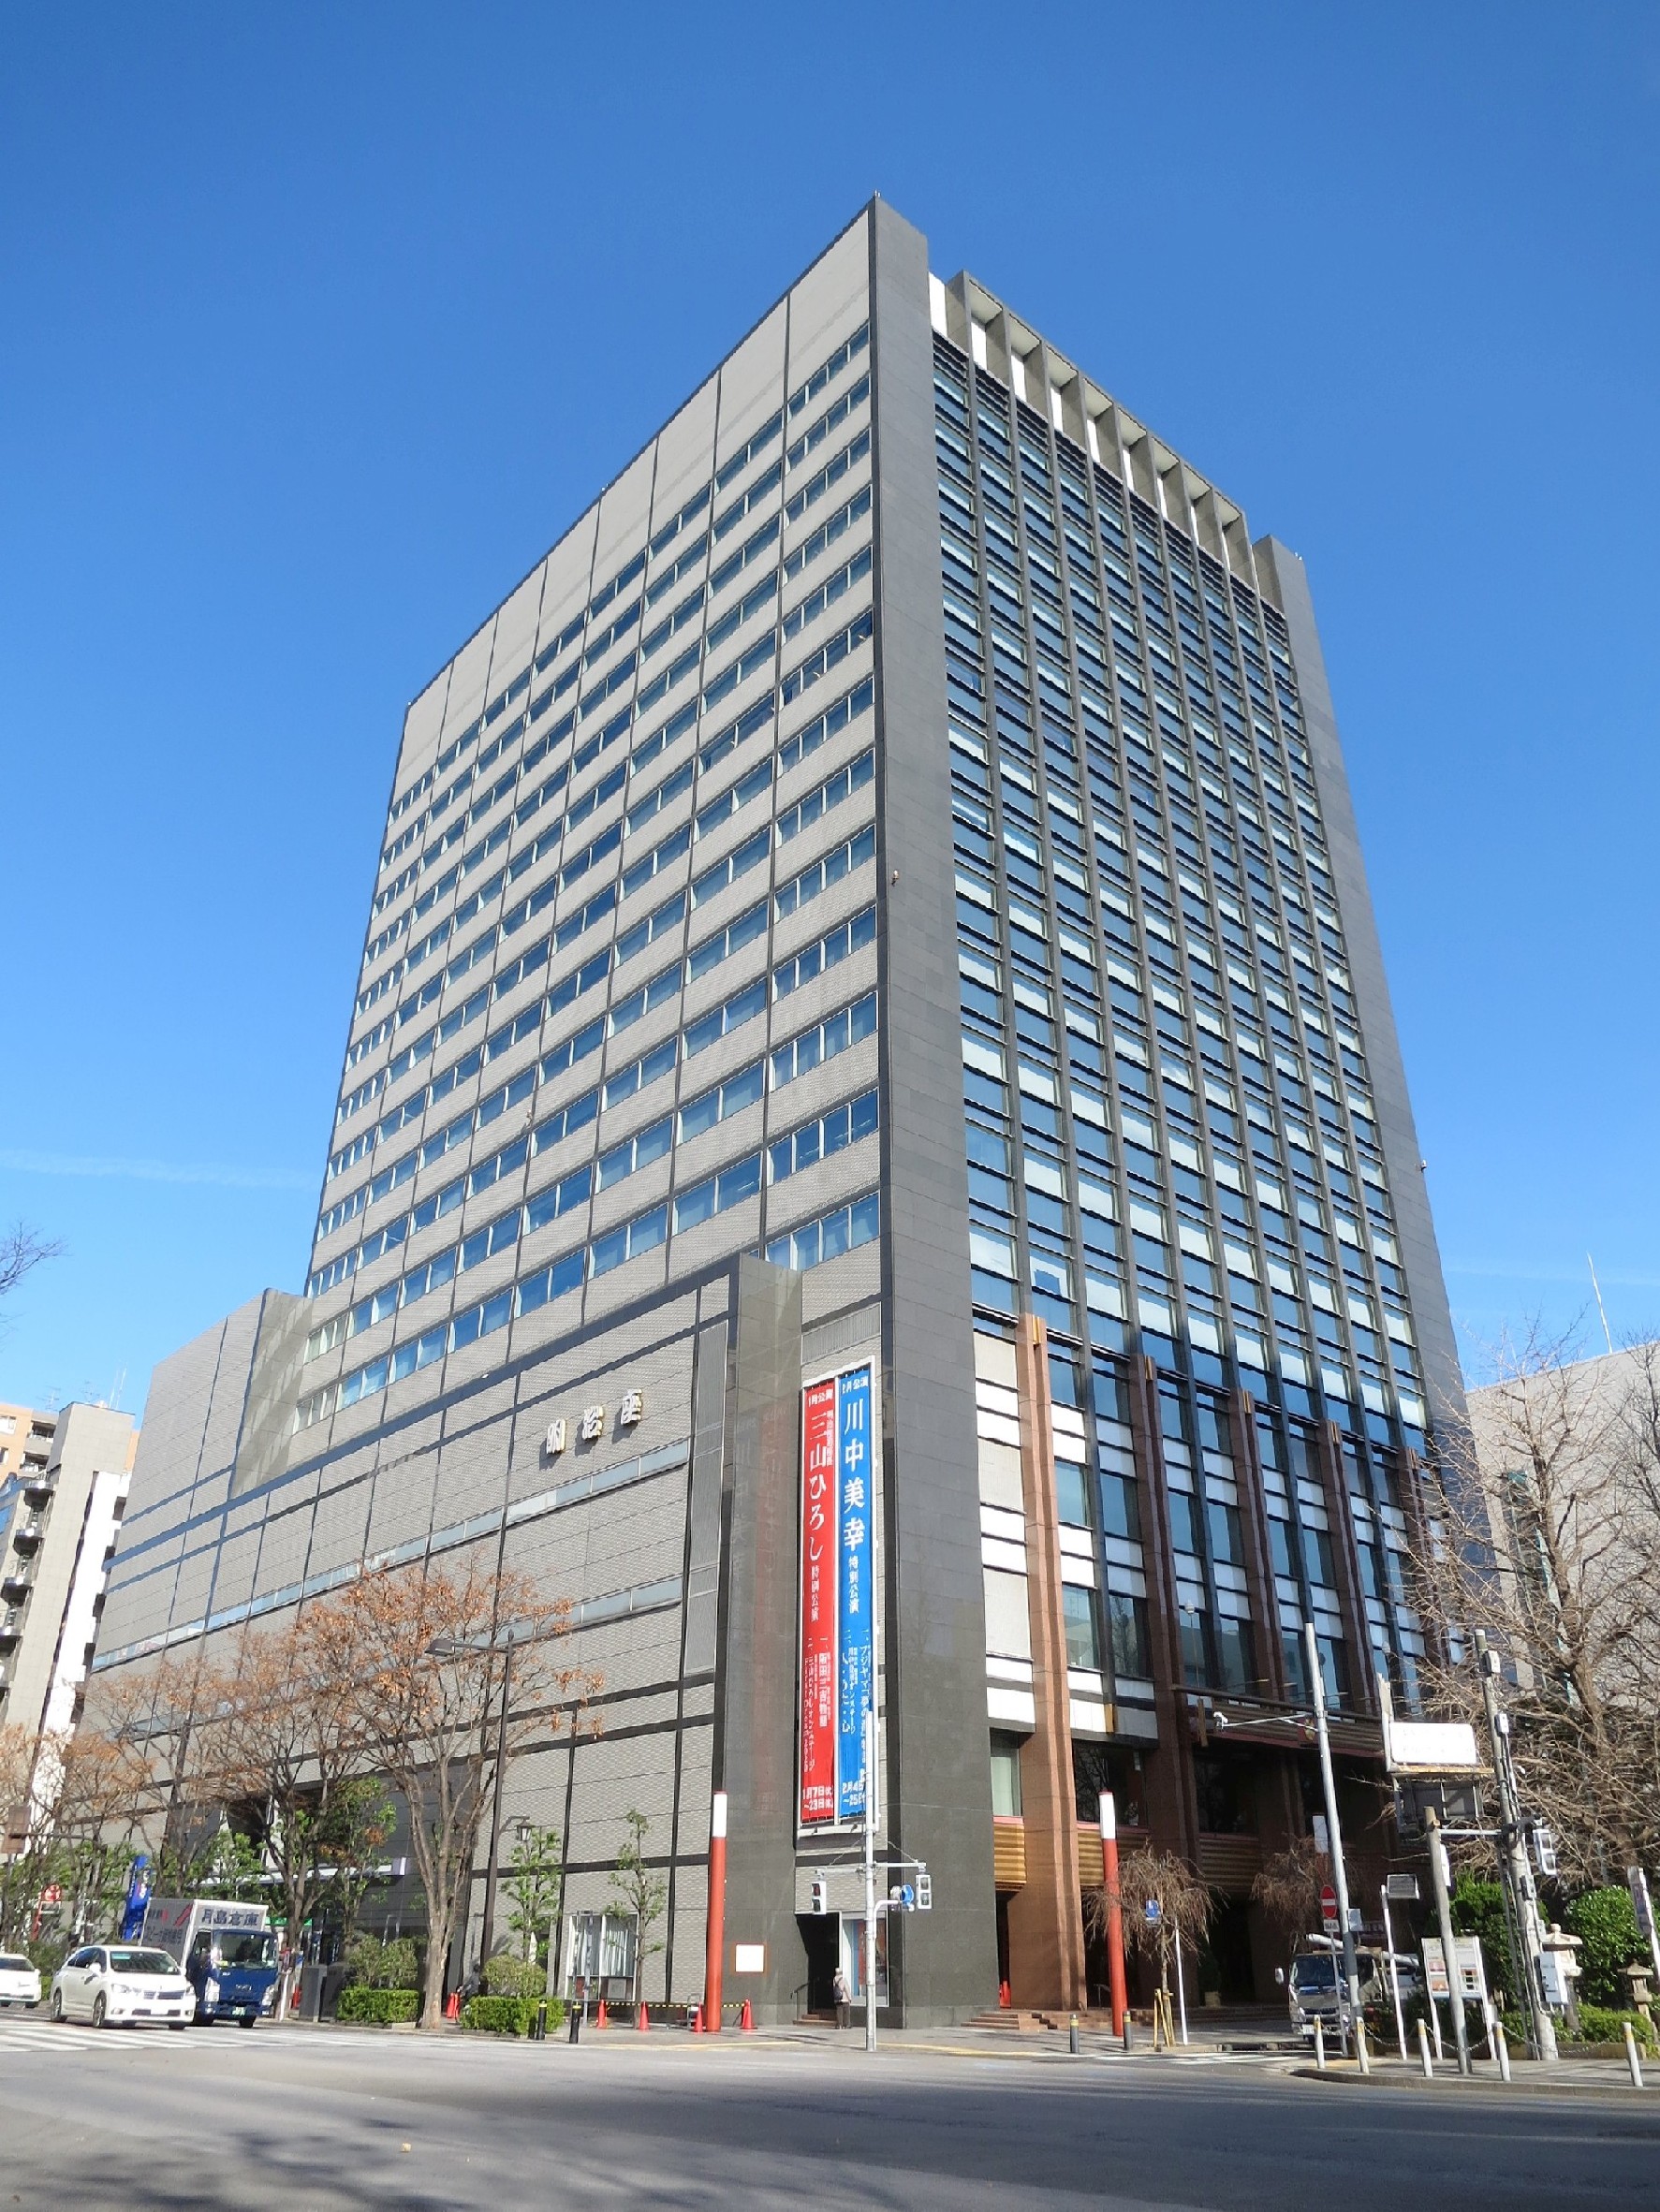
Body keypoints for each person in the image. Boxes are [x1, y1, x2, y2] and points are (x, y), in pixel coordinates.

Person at [832, 1966, 851, 2031]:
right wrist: (849, 1998)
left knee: (839, 2012)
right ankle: (846, 2024)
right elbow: (847, 1989)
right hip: (844, 1998)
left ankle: (839, 2024)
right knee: (846, 2012)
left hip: (838, 1998)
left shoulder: (834, 1980)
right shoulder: (843, 1979)